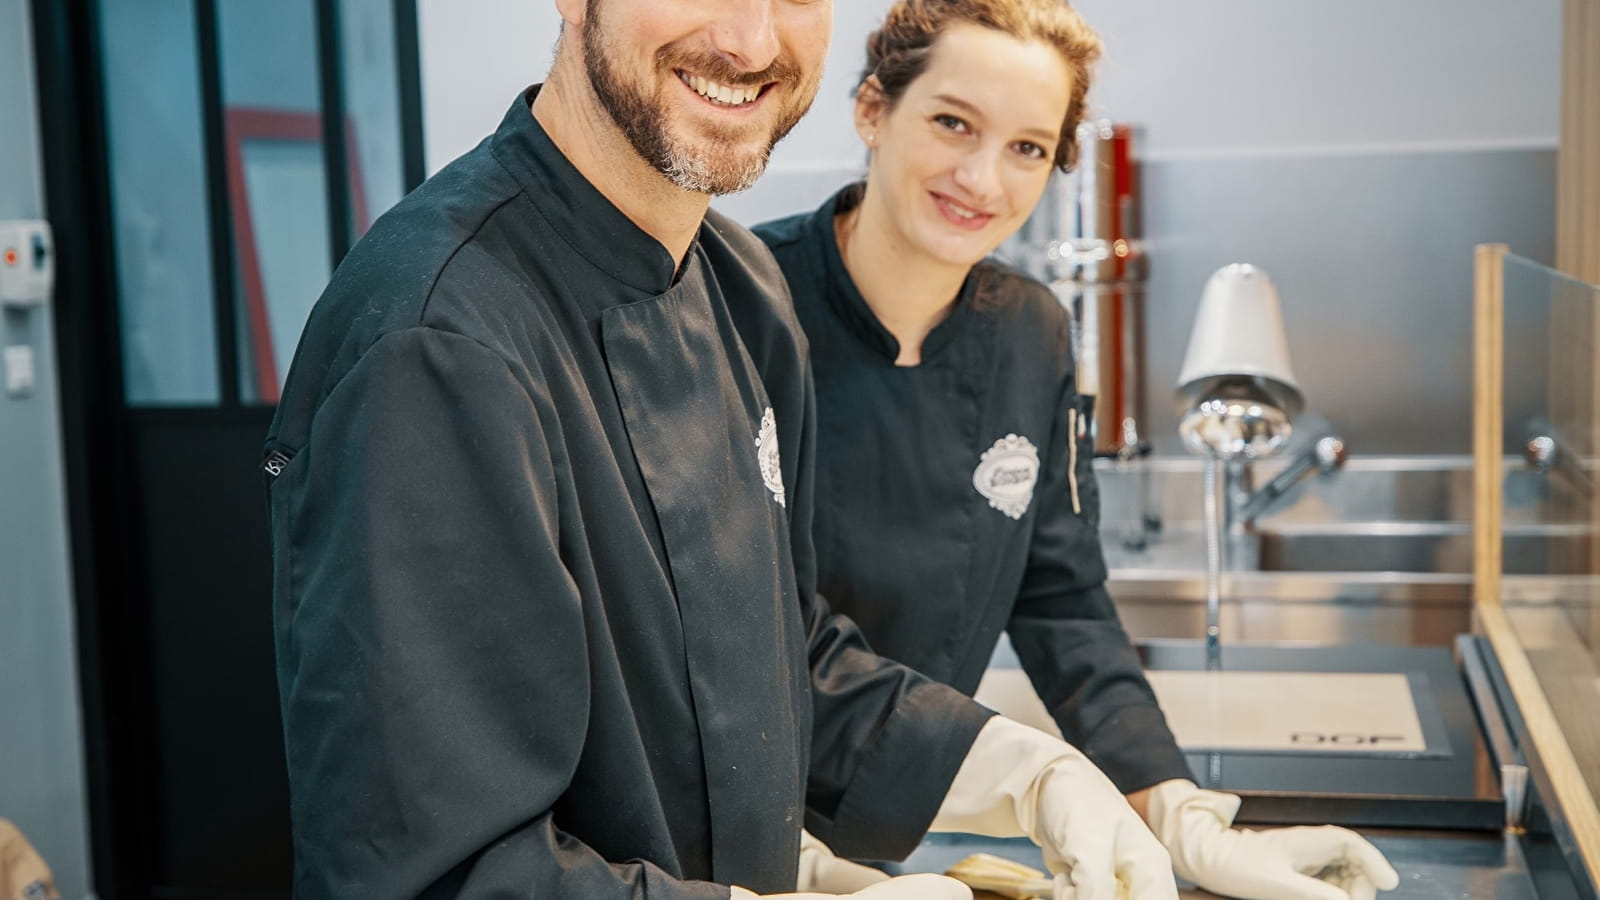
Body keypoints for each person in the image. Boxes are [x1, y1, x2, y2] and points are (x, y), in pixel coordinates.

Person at [264, 0, 1180, 898]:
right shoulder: (439, 341)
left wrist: (1026, 773)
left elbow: (784, 665)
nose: (749, 40)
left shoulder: (741, 292)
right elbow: (436, 870)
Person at [754, 2, 1403, 899]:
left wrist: (1174, 807)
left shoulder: (1031, 332)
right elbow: (729, 627)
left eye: (1027, 147)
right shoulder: (738, 309)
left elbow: (1060, 596)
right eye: (952, 123)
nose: (982, 177)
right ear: (873, 110)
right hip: (718, 835)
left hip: (902, 815)